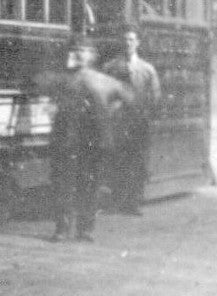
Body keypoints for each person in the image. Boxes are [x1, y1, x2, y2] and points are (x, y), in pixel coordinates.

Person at [43, 39, 134, 242]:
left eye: (84, 51)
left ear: (93, 56)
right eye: (76, 50)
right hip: (67, 141)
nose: (80, 54)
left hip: (92, 142)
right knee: (64, 185)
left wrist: (113, 116)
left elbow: (130, 98)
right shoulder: (62, 80)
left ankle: (84, 229)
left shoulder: (103, 80)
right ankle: (63, 228)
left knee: (88, 186)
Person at [102, 29, 162, 215]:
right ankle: (116, 201)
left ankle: (133, 203)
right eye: (125, 39)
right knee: (117, 161)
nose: (128, 43)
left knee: (137, 162)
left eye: (131, 39)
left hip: (138, 122)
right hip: (117, 122)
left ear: (137, 43)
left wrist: (145, 114)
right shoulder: (110, 67)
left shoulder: (147, 69)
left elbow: (155, 96)